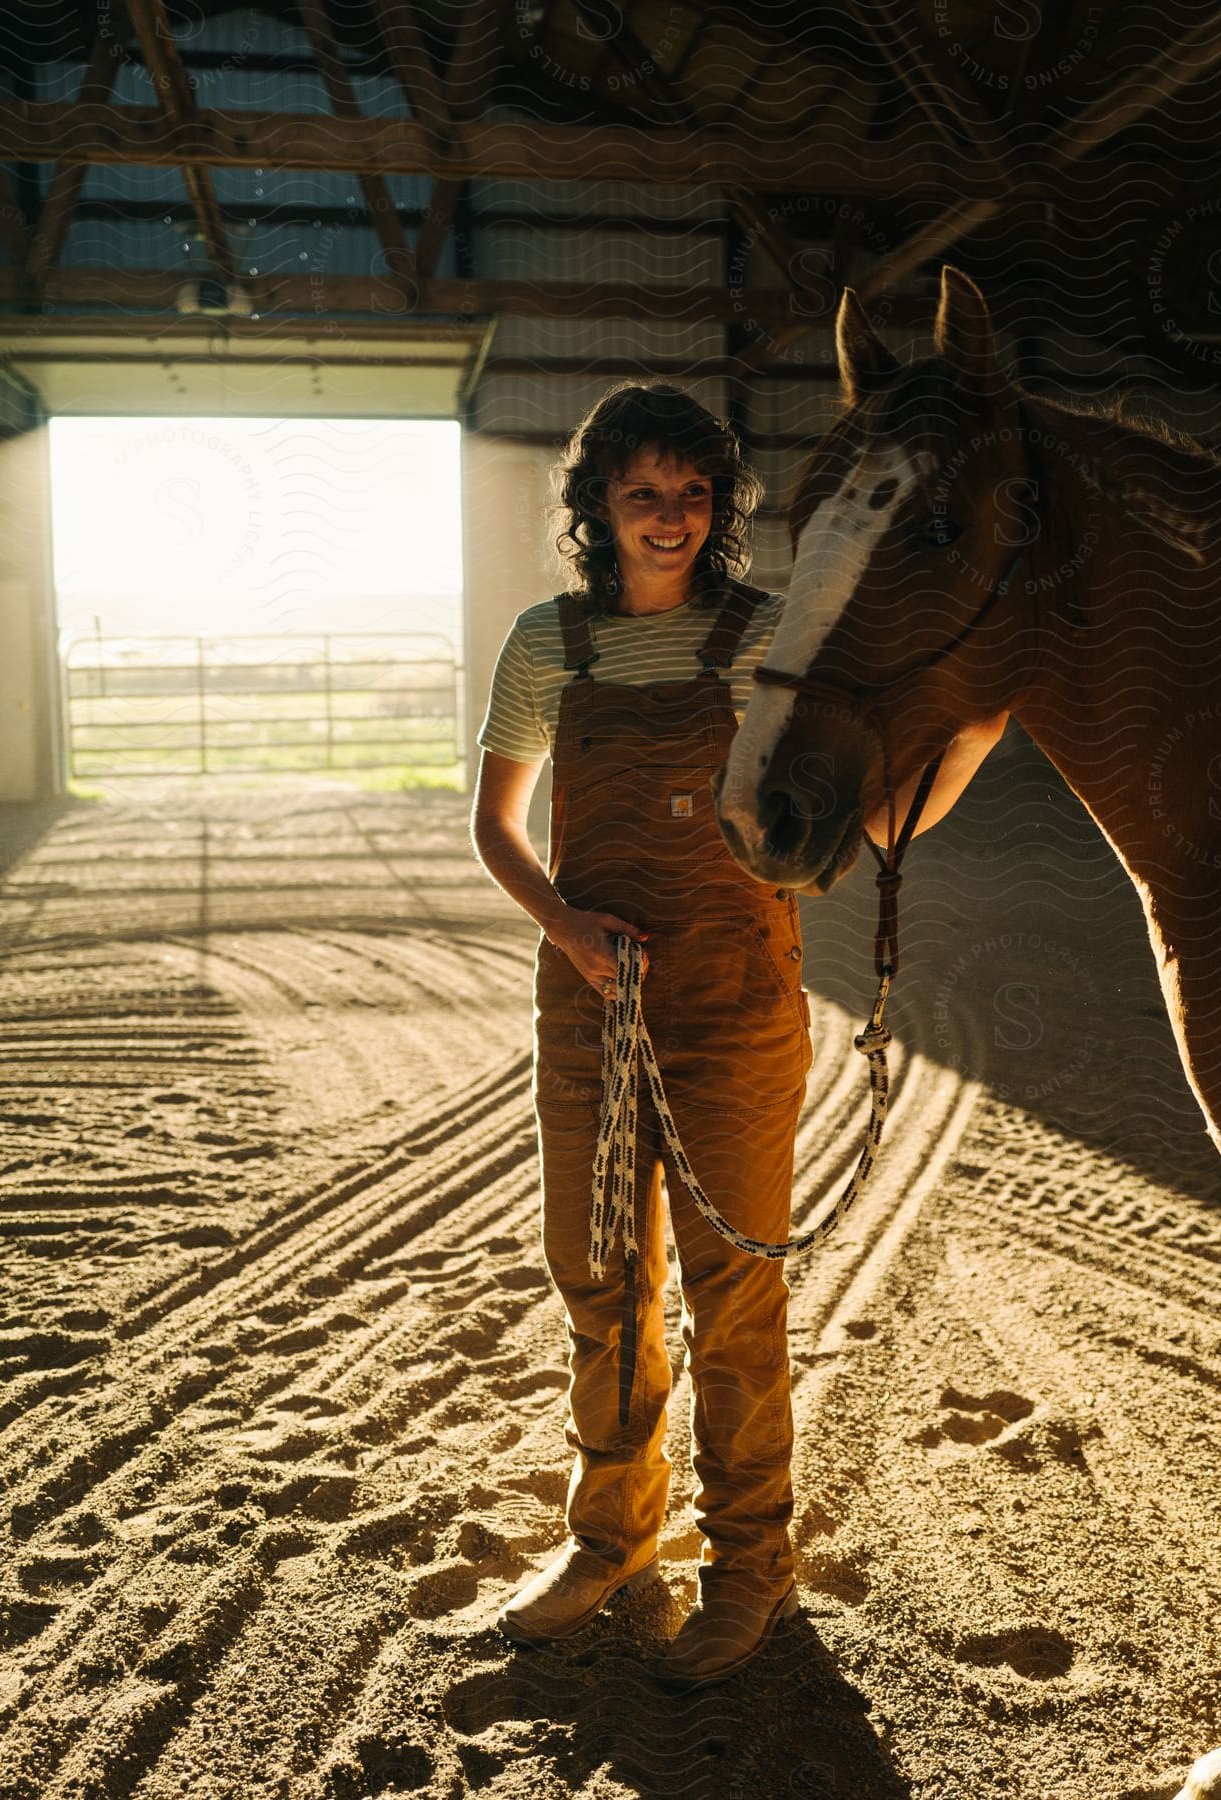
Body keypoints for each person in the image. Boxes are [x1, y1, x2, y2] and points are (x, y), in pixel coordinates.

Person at [469, 384, 812, 1688]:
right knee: (599, 1273)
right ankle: (611, 1534)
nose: (671, 518)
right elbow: (497, 828)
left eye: (692, 493)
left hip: (734, 1012)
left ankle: (753, 1564)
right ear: (598, 509)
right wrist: (561, 924)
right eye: (642, 494)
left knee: (733, 1299)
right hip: (592, 1013)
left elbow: (826, 796)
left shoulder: (760, 637)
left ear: (717, 508)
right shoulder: (547, 646)